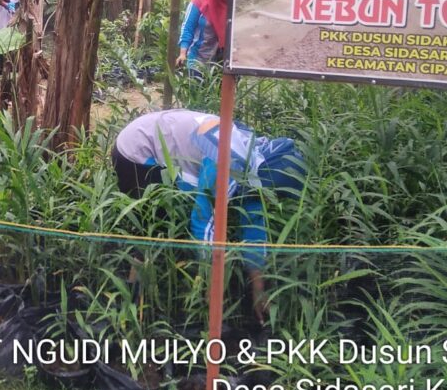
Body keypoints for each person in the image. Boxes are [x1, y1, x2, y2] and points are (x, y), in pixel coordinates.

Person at [112, 110, 305, 323]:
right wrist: (213, 282)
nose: (271, 200)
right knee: (156, 225)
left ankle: (152, 302)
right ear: (270, 182)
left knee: (177, 218)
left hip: (164, 144)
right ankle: (131, 307)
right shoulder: (231, 161)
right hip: (138, 151)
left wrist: (259, 288)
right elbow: (203, 219)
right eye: (275, 195)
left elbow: (254, 228)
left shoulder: (258, 166)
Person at [176, 0, 228, 75]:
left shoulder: (232, 4)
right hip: (197, 62)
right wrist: (182, 53)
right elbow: (188, 28)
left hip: (220, 64)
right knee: (195, 91)